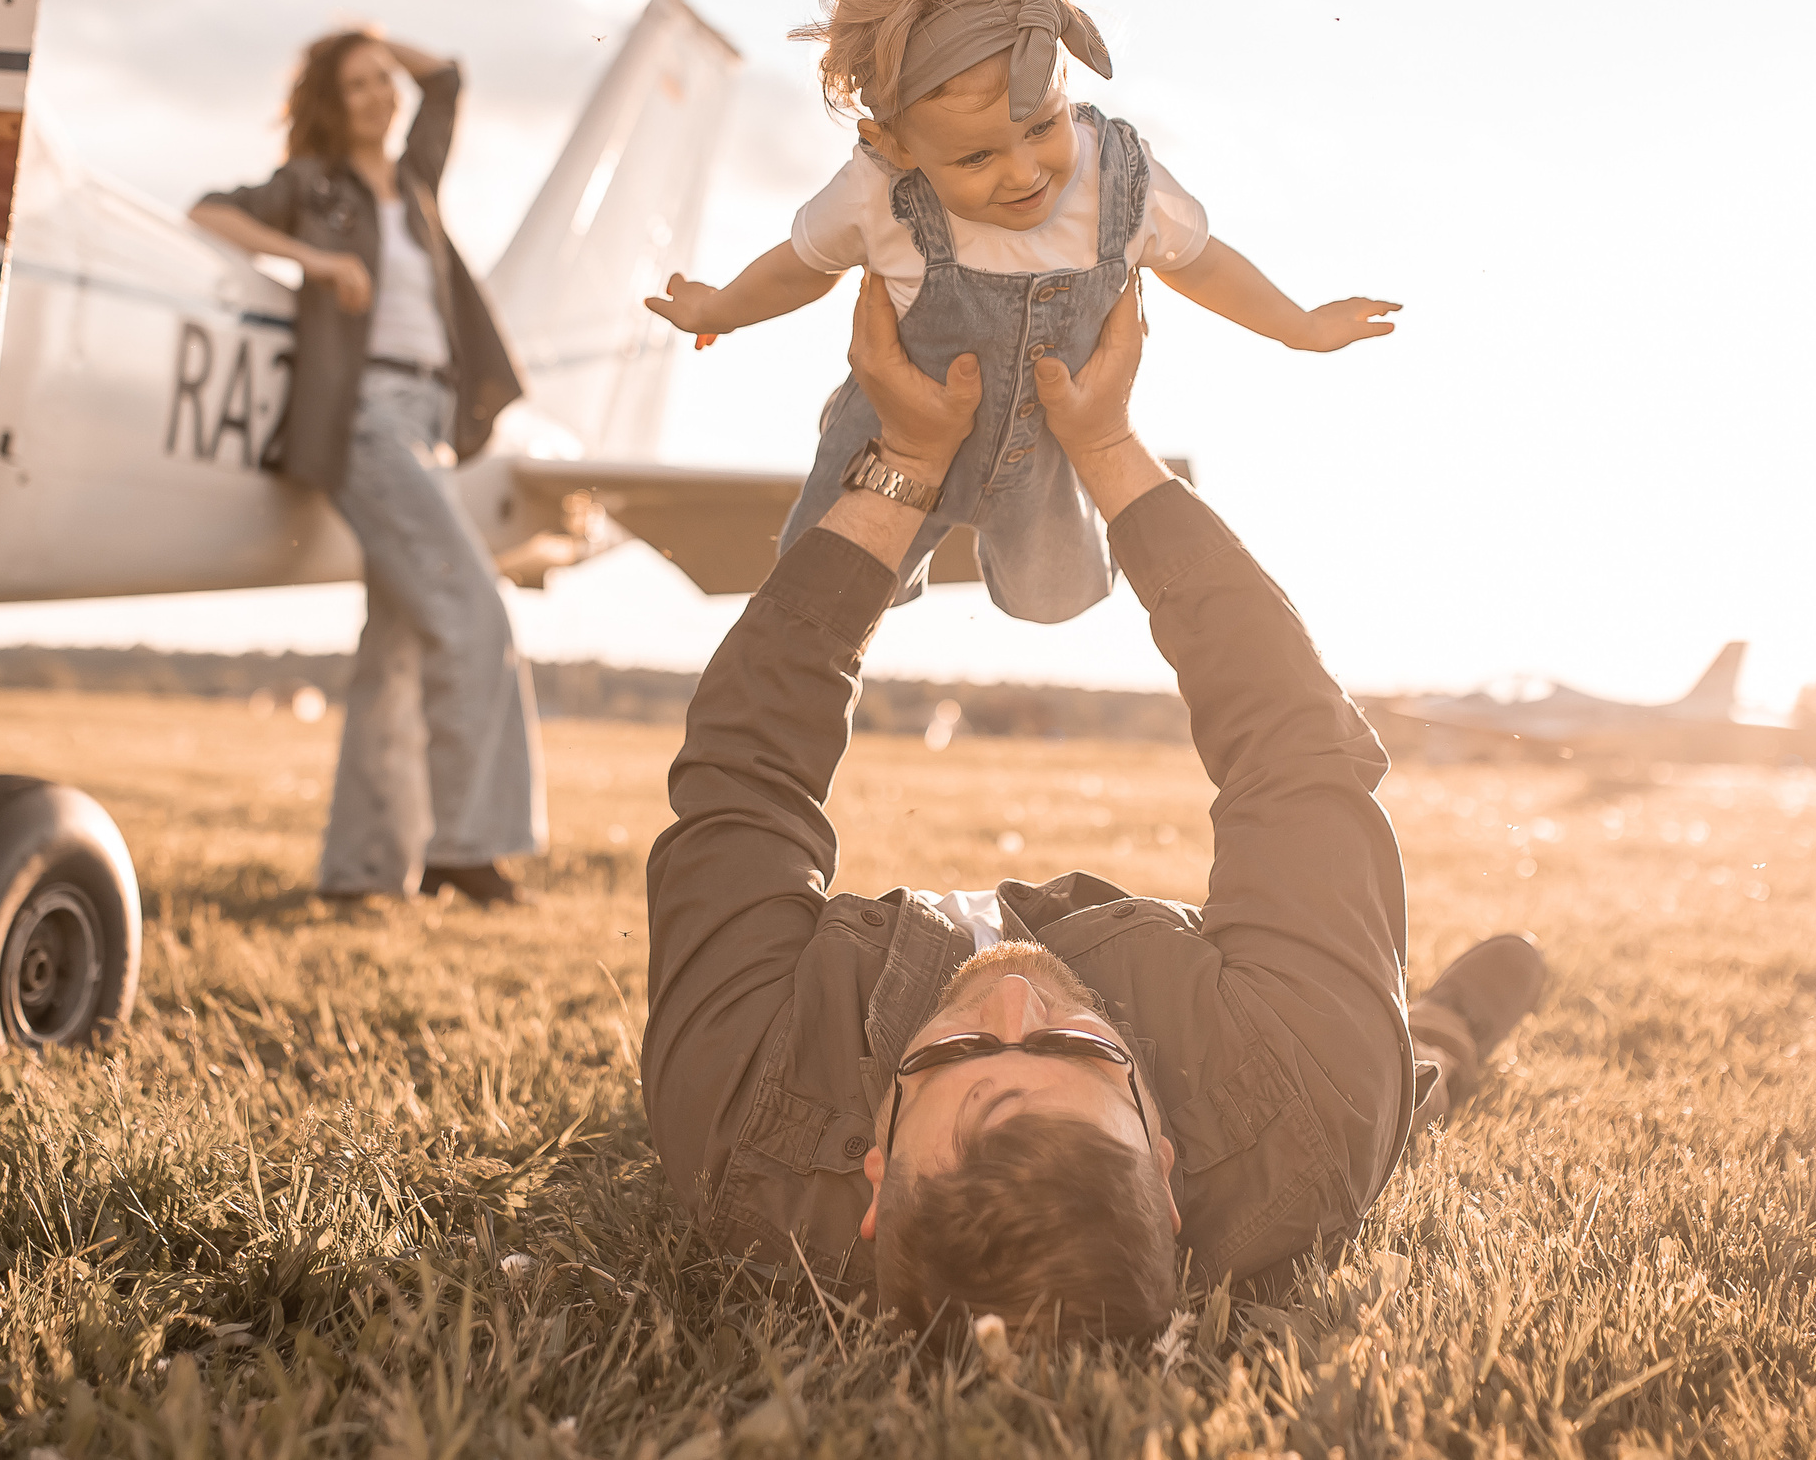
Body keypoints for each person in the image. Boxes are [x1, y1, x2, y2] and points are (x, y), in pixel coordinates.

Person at [642, 270, 1545, 1345]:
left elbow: (746, 769)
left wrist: (906, 462)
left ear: (873, 1180)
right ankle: (1446, 1023)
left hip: (860, 1046)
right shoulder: (1303, 1103)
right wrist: (1111, 451)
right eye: (1077, 1052)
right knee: (1398, 1069)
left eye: (959, 1061)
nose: (1014, 1002)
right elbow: (1292, 752)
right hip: (1261, 1041)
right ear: (1165, 1170)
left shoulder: (741, 1115)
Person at [644, 0, 1399, 625]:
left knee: (1056, 599)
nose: (1025, 172)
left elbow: (1200, 262)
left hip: (1043, 445)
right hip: (892, 433)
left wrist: (1298, 326)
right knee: (818, 594)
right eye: (975, 159)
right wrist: (724, 307)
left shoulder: (1116, 183)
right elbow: (799, 266)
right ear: (895, 144)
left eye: (1043, 125)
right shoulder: (877, 192)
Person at [190, 32, 543, 904]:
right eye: (356, 84)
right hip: (366, 418)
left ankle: (359, 872)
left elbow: (449, 78)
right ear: (329, 102)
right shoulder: (310, 185)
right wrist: (313, 259)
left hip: (430, 419)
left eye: (382, 81)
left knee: (393, 650)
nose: (379, 95)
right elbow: (208, 210)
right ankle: (465, 845)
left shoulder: (415, 183)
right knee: (472, 608)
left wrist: (374, 34)